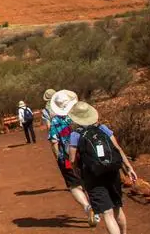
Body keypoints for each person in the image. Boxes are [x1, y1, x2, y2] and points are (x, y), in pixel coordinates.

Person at [68, 101, 137, 234]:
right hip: (112, 172)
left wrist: (77, 171)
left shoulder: (76, 134)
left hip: (92, 176)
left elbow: (72, 159)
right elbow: (117, 149)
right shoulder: (103, 129)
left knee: (107, 213)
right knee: (117, 207)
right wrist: (128, 168)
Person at [48, 90, 99, 227]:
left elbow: (54, 141)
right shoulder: (79, 114)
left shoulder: (56, 121)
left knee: (74, 185)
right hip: (86, 154)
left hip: (67, 157)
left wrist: (58, 157)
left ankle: (87, 207)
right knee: (88, 181)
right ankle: (96, 204)